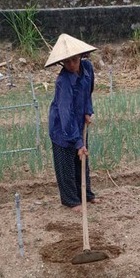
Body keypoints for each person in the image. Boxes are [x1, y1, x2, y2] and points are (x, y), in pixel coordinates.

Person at [45, 33, 101, 212]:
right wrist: (77, 142)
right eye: (66, 62)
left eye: (74, 60)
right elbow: (65, 114)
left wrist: (87, 111)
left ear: (81, 57)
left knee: (82, 160)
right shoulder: (63, 81)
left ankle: (86, 194)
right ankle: (71, 200)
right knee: (66, 164)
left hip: (79, 120)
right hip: (62, 127)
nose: (71, 65)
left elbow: (88, 91)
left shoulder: (87, 68)